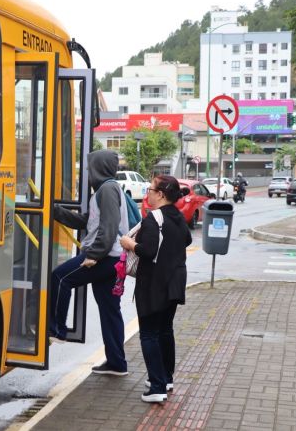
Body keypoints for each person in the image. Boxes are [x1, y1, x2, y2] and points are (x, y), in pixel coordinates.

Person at [50, 149, 129, 376]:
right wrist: (54, 210)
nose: (87, 171)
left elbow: (109, 227)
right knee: (110, 311)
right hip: (112, 258)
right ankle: (117, 363)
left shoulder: (107, 189)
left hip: (104, 257)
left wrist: (94, 255)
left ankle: (58, 330)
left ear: (99, 167)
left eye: (89, 167)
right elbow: (87, 222)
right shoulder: (106, 190)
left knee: (60, 277)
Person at [120, 175, 192, 403]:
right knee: (165, 330)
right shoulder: (177, 216)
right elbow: (187, 240)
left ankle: (157, 387)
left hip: (154, 285)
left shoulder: (154, 218)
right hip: (174, 282)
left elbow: (148, 251)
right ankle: (166, 378)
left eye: (150, 188)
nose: (147, 192)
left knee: (149, 334)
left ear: (160, 194)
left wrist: (130, 244)